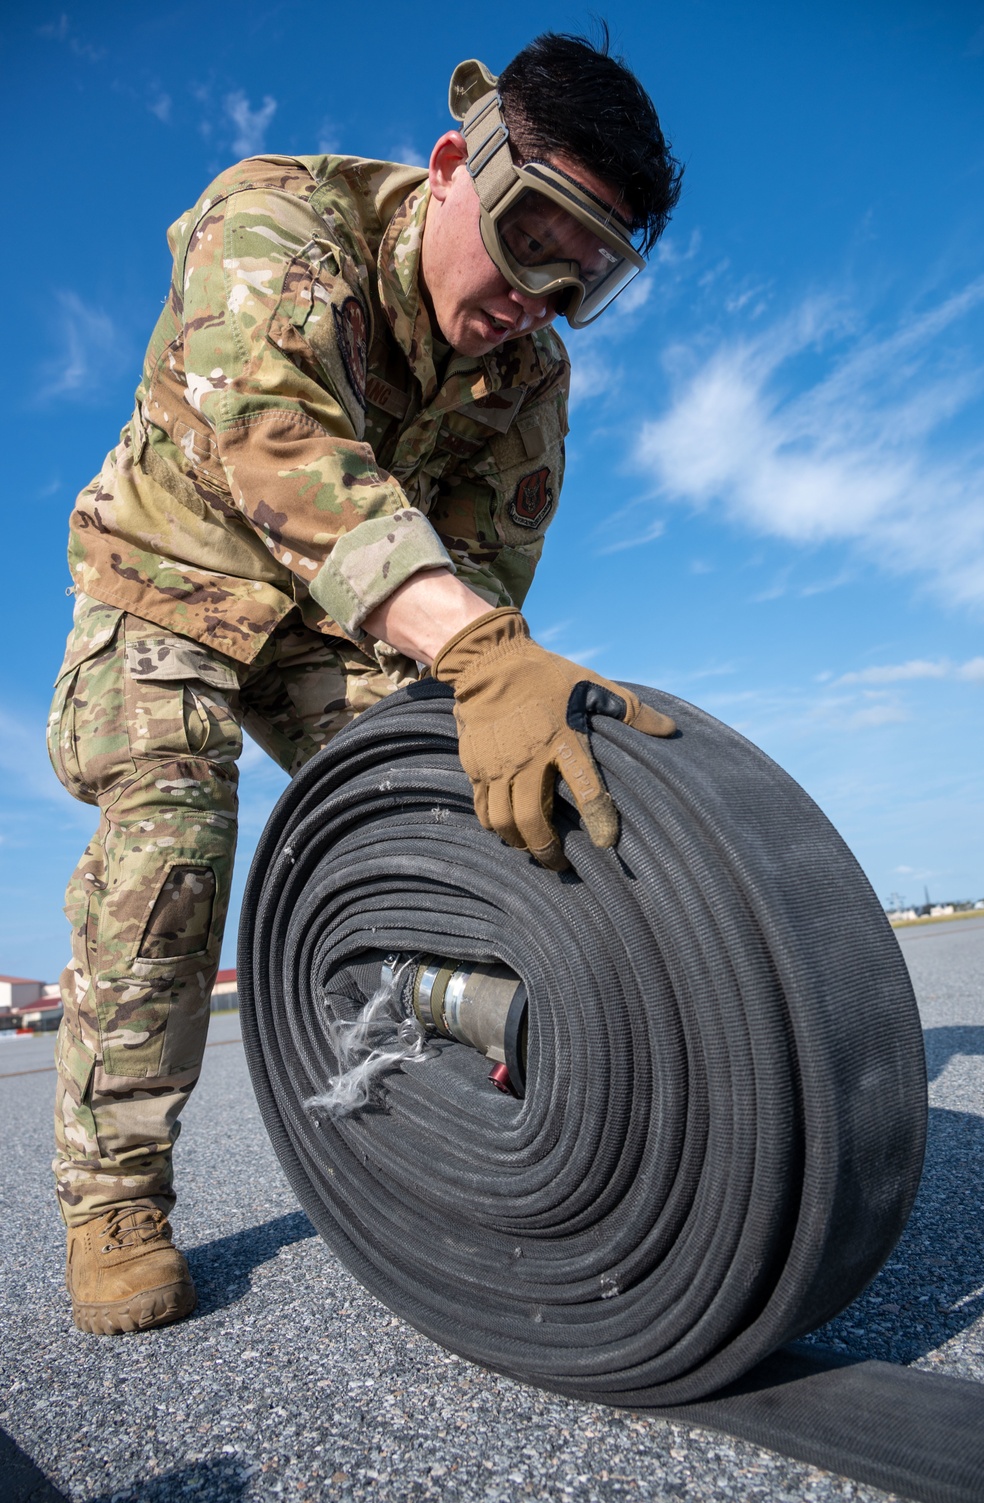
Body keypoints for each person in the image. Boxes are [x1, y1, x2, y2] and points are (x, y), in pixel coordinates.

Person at [47, 30, 683, 1335]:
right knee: (173, 826)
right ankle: (114, 1191)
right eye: (533, 234)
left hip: (336, 612)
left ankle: (479, 1091)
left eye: (588, 278)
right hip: (168, 570)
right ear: (456, 166)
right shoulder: (276, 223)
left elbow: (480, 581)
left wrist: (476, 709)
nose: (541, 295)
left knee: (464, 801)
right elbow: (281, 450)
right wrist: (480, 654)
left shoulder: (529, 382)